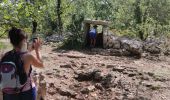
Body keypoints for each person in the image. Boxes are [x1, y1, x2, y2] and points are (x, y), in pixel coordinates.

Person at [0, 27, 44, 100]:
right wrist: (37, 50)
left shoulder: (5, 55)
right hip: (26, 93)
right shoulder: (28, 57)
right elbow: (41, 65)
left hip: (9, 93)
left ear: (11, 42)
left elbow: (18, 54)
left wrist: (30, 49)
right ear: (24, 40)